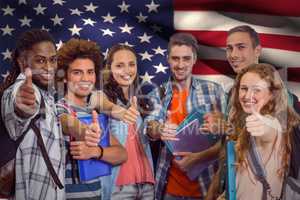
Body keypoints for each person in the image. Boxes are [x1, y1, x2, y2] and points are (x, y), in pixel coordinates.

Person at [145, 32, 227, 200]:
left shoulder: (214, 91)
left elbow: (229, 138)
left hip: (208, 188)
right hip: (169, 190)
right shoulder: (158, 93)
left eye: (186, 59)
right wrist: (159, 129)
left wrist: (221, 125)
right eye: (175, 58)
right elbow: (149, 126)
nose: (180, 64)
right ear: (168, 59)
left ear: (194, 59)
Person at [55, 38, 128, 199]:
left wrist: (95, 151)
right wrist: (86, 132)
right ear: (65, 77)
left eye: (90, 72)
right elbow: (68, 123)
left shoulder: (93, 112)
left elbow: (122, 154)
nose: (85, 79)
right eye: (77, 72)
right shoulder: (58, 109)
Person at [1, 29, 65, 199]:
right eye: (40, 60)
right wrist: (22, 107)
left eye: (53, 60)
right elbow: (20, 108)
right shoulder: (22, 90)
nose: (49, 67)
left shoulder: (46, 94)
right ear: (22, 62)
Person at [219, 63, 300, 199]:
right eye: (244, 88)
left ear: (272, 94)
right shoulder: (244, 124)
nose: (247, 96)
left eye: (256, 90)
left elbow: (269, 130)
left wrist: (265, 126)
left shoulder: (276, 125)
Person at [101, 44, 155, 200]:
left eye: (131, 64)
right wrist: (120, 112)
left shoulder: (142, 102)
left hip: (147, 184)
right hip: (119, 187)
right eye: (119, 65)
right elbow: (98, 102)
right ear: (109, 68)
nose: (127, 70)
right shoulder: (102, 96)